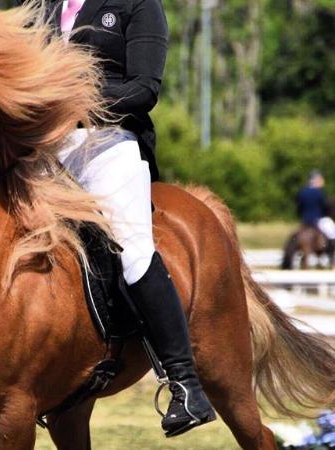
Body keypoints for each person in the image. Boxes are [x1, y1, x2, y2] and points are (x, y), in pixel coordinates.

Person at [16, 0, 216, 437]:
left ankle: (185, 383)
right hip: (44, 146)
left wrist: (73, 94)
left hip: (108, 141)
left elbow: (144, 89)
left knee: (133, 251)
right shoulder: (38, 6)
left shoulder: (138, 5)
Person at [296, 170, 335, 248]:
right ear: (316, 180)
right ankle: (331, 249)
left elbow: (299, 208)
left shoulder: (302, 192)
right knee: (332, 233)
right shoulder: (319, 193)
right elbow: (325, 207)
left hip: (305, 221)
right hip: (318, 220)